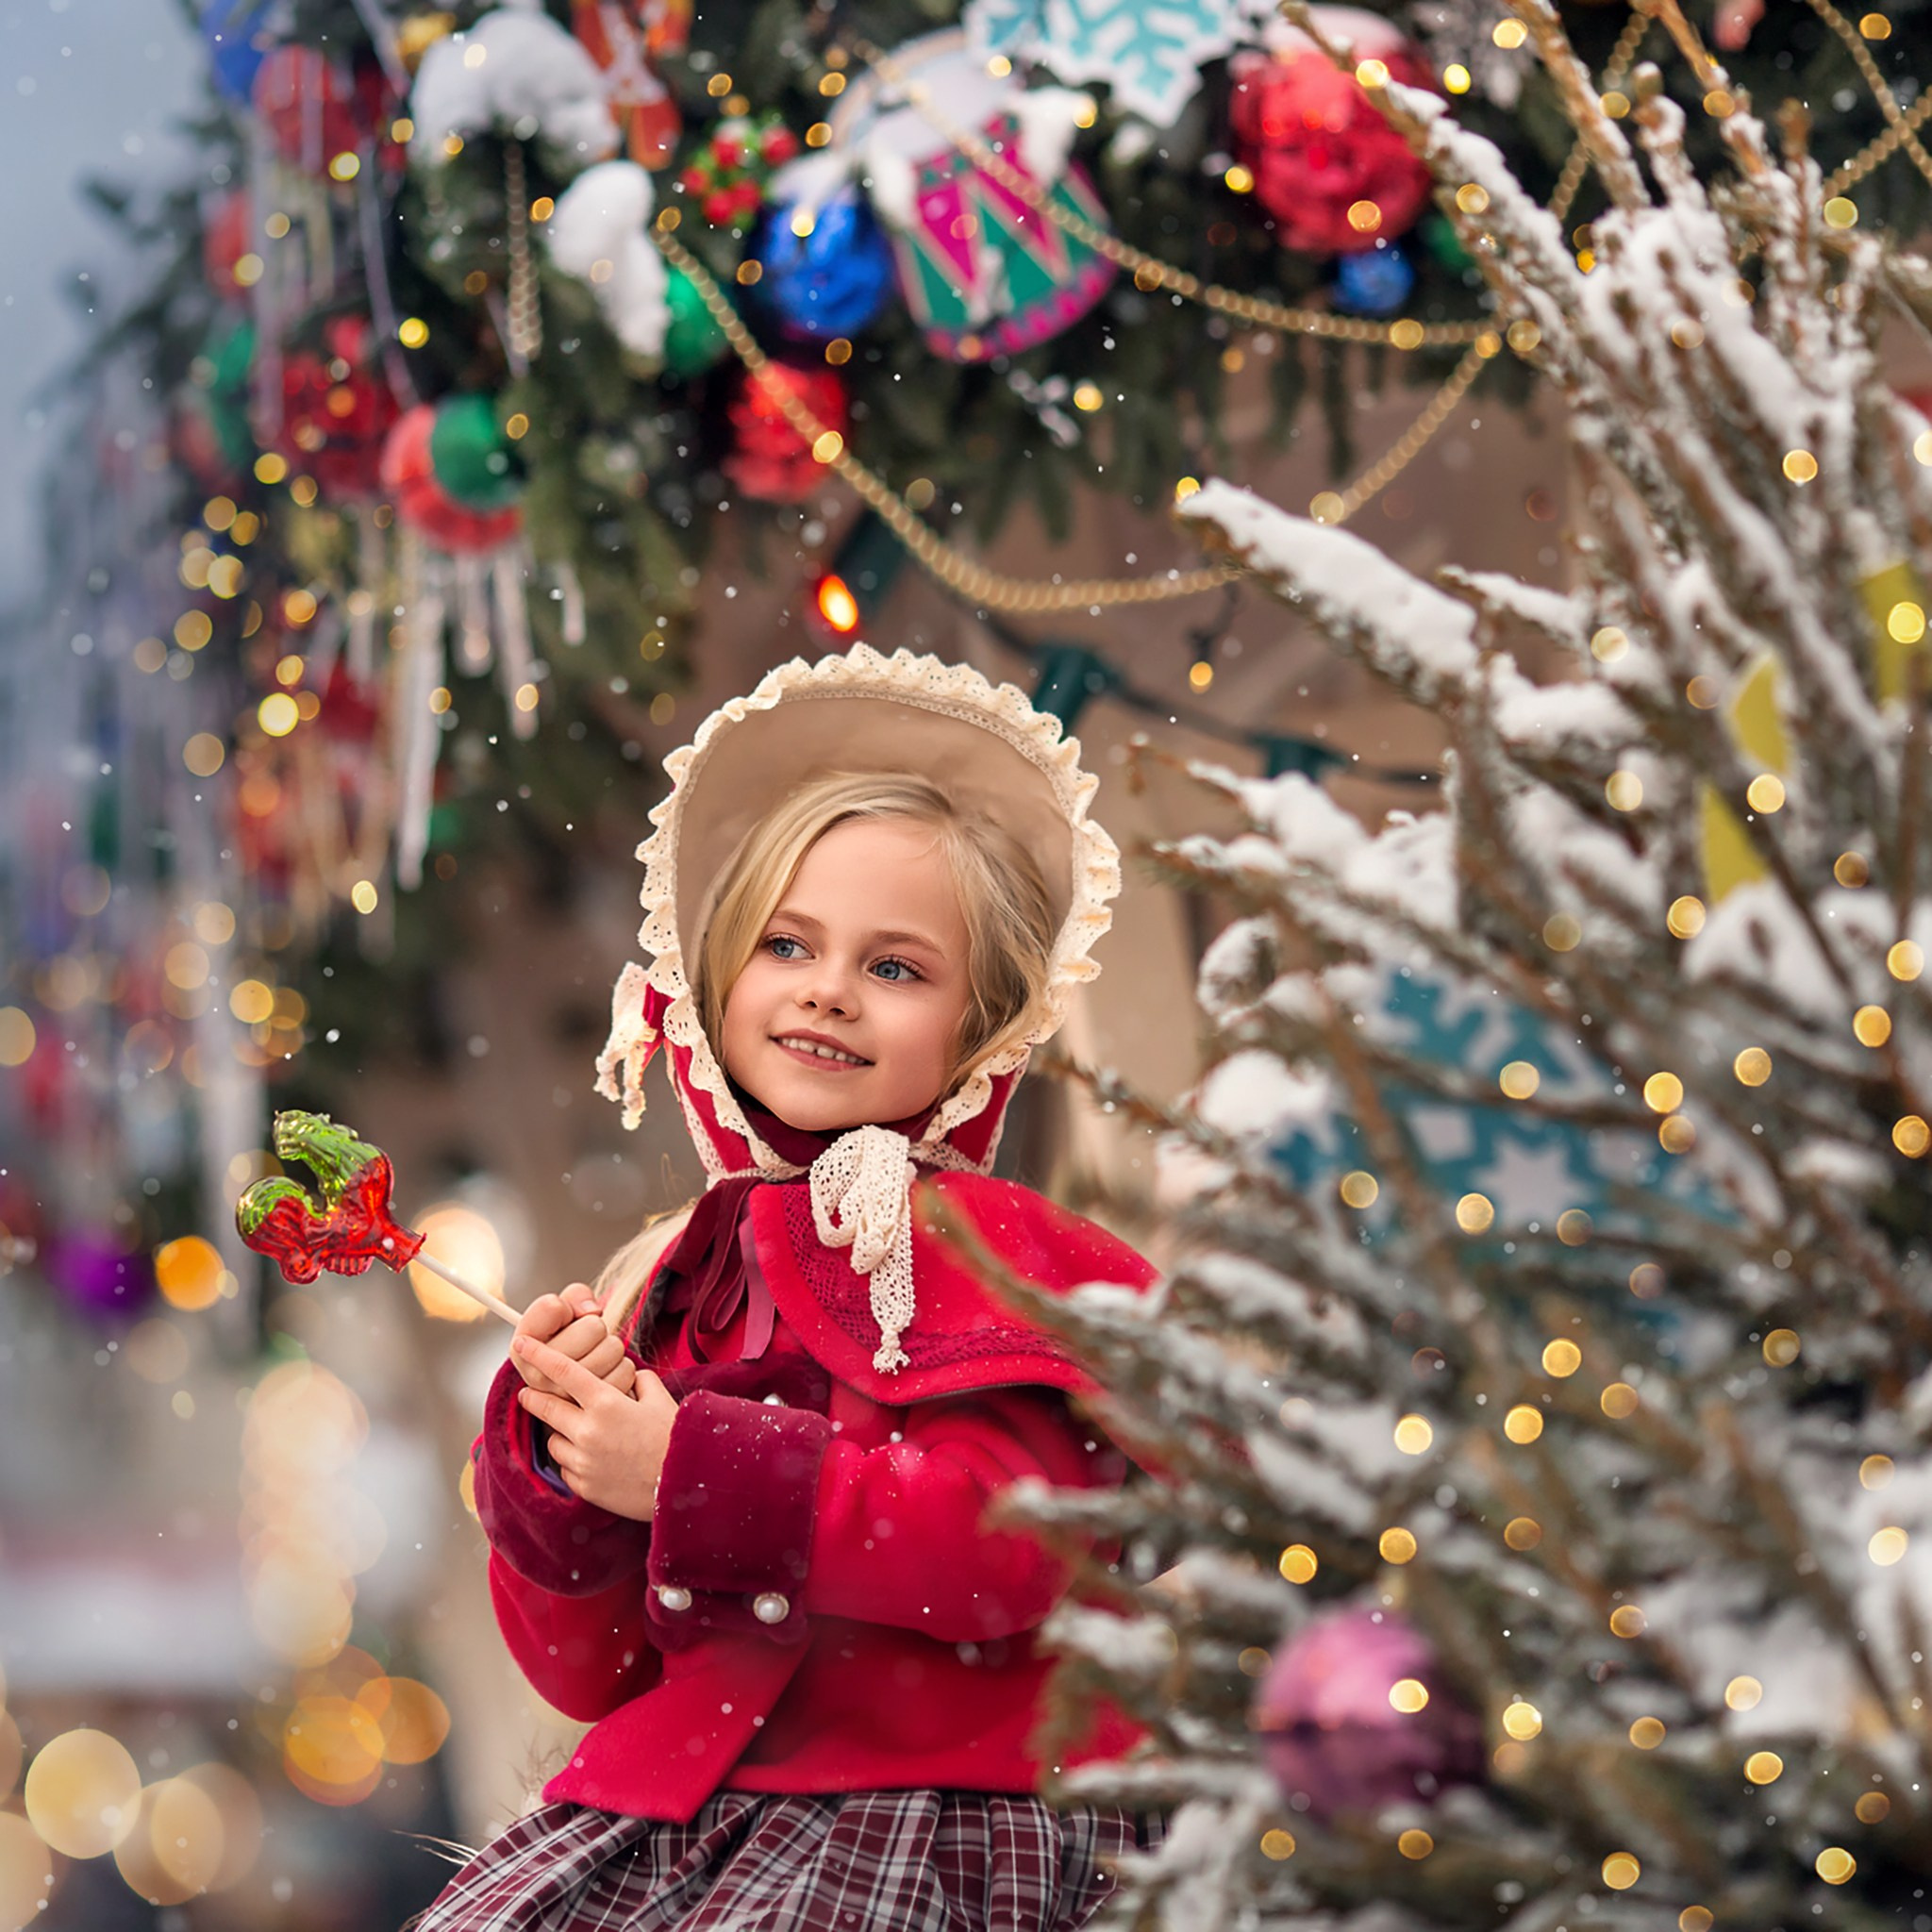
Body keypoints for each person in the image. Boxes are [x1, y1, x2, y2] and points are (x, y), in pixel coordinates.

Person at [416, 645, 1162, 1931]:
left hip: (937, 1811)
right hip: (689, 1815)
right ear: (715, 978)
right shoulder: (674, 1275)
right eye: (787, 944)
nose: (827, 988)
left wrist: (691, 1476)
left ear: (981, 1030)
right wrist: (567, 1479)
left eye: (895, 968)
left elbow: (1007, 1551)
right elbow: (590, 1672)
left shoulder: (985, 1255)